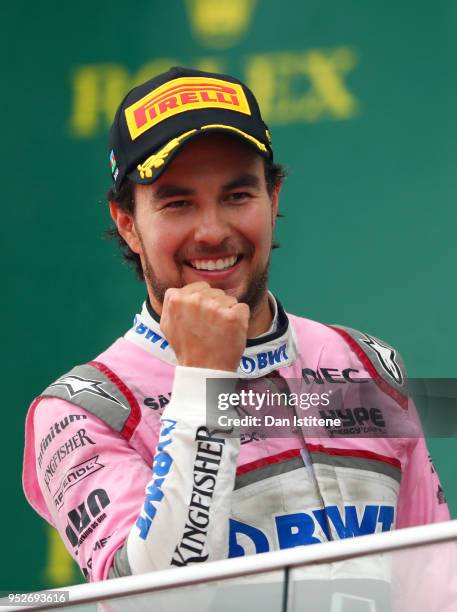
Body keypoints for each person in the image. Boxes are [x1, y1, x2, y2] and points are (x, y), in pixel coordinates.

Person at [23, 66, 449, 583]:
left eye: (237, 196)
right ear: (128, 224)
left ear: (274, 199)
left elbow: (433, 580)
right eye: (178, 203)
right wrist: (205, 382)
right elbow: (159, 600)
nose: (212, 231)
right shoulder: (85, 409)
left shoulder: (365, 365)